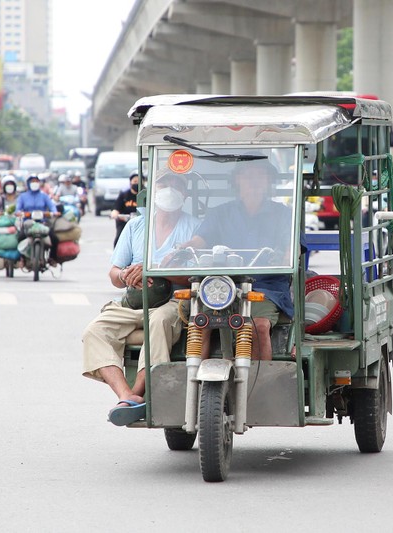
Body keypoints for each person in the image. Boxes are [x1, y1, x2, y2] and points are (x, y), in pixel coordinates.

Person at [81, 171, 200, 426]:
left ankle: (139, 392)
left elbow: (198, 276)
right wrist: (126, 275)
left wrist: (158, 271)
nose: (170, 188)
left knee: (157, 322)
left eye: (177, 184)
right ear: (152, 191)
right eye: (164, 183)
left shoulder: (194, 226)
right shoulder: (135, 226)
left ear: (185, 194)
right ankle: (127, 396)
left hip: (173, 302)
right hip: (134, 303)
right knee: (94, 331)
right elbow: (113, 274)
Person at [178, 160, 297, 361]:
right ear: (237, 180)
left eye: (260, 175)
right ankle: (195, 384)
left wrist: (287, 255)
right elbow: (200, 239)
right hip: (222, 285)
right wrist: (182, 249)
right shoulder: (220, 213)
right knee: (199, 324)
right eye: (247, 175)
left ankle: (260, 387)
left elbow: (292, 246)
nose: (254, 181)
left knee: (258, 326)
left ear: (269, 181)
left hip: (265, 287)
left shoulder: (284, 214)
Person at [110, 171, 140, 247]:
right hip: (124, 222)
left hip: (140, 223)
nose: (137, 184)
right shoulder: (124, 195)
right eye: (135, 181)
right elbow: (116, 208)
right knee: (119, 237)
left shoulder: (145, 194)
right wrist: (115, 214)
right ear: (130, 182)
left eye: (139, 181)